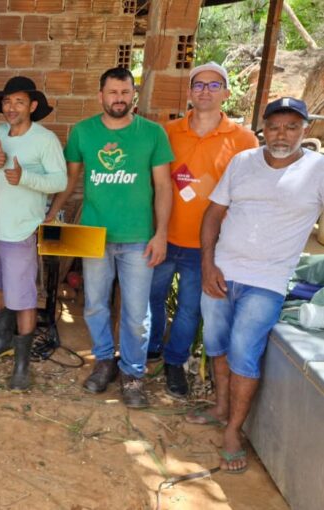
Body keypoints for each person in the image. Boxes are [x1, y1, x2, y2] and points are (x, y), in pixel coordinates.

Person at [193, 97, 324, 473]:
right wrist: (207, 264)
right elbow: (213, 213)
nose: (282, 135)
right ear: (263, 129)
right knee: (216, 344)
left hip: (266, 281)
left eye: (292, 127)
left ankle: (233, 431)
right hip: (221, 272)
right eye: (275, 126)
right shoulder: (243, 162)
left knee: (243, 353)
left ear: (304, 130)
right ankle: (221, 407)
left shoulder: (317, 170)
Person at [46, 67, 174, 408]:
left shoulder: (152, 133)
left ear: (133, 95)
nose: (119, 98)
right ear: (100, 96)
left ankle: (133, 374)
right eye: (113, 92)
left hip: (138, 237)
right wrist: (52, 213)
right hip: (94, 234)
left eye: (125, 92)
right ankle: (104, 361)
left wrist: (161, 233)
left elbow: (164, 186)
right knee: (94, 305)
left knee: (136, 313)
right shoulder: (83, 132)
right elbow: (70, 180)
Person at [147, 62, 258, 398]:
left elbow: (247, 194)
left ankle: (174, 361)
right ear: (189, 92)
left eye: (214, 85)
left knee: (190, 308)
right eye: (199, 85)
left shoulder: (243, 139)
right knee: (151, 298)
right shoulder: (168, 132)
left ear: (226, 93)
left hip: (206, 245)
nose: (205, 91)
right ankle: (151, 349)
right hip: (163, 236)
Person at [0, 76, 67, 390]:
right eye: (7, 101)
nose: (11, 107)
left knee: (24, 298)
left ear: (32, 106)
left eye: (18, 101)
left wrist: (25, 177)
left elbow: (60, 182)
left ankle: (22, 365)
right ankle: (1, 341)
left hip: (21, 231)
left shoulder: (45, 140)